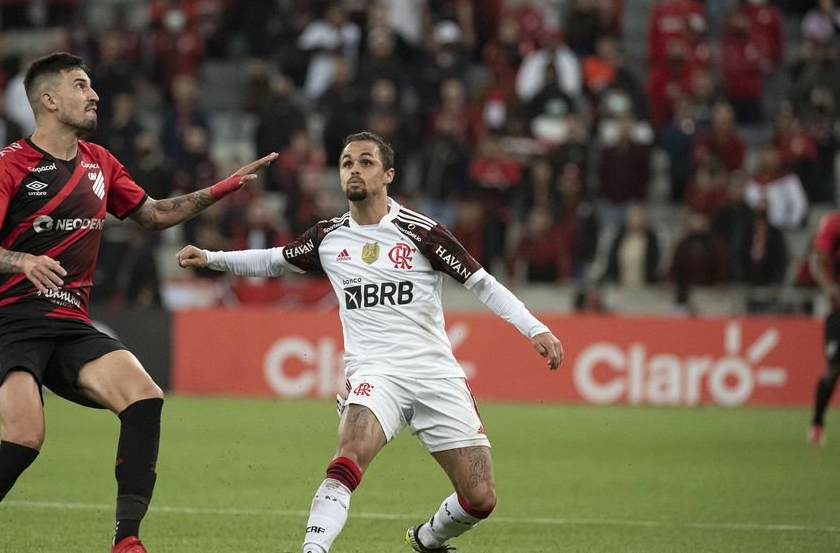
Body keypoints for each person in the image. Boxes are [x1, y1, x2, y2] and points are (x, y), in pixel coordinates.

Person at [0, 53, 276, 553]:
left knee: (144, 396)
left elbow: (154, 214)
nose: (94, 95)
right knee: (25, 438)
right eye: (81, 86)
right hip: (9, 321)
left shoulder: (100, 162)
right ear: (48, 100)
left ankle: (127, 540)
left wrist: (222, 187)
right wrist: (23, 261)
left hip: (69, 323)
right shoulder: (10, 164)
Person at [176, 131, 564, 553]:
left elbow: (482, 284)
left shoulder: (422, 232)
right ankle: (313, 550)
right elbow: (274, 259)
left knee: (481, 498)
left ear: (388, 175)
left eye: (365, 162)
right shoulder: (328, 237)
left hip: (436, 373)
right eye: (346, 163)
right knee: (349, 453)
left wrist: (534, 328)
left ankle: (427, 538)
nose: (354, 170)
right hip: (375, 374)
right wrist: (211, 258)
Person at [807, 175, 840, 447]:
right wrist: (829, 287)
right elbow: (817, 259)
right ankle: (817, 422)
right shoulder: (835, 222)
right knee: (833, 368)